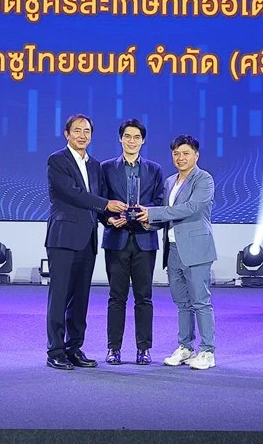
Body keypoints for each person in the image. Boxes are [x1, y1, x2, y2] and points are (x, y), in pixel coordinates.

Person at [45, 114, 127, 371]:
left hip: (87, 239)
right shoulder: (57, 160)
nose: (82, 135)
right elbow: (73, 194)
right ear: (67, 134)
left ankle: (74, 347)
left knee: (80, 298)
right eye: (77, 130)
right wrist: (106, 204)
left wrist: (108, 219)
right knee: (60, 296)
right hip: (63, 238)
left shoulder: (95, 165)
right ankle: (55, 351)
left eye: (87, 131)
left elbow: (96, 203)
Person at [135, 135, 217, 370]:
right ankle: (186, 347)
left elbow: (190, 208)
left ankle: (207, 351)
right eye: (176, 154)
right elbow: (167, 215)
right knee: (182, 303)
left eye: (186, 153)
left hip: (196, 249)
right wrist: (148, 223)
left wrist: (152, 213)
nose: (180, 158)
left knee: (200, 302)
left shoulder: (204, 179)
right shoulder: (170, 181)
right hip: (172, 249)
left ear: (196, 155)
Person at [100, 119, 164, 366]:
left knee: (144, 298)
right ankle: (113, 349)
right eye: (127, 136)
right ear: (120, 138)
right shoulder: (106, 168)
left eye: (137, 137)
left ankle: (143, 349)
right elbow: (100, 202)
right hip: (116, 239)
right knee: (116, 297)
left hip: (144, 240)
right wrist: (109, 219)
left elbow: (159, 202)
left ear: (143, 140)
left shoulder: (154, 169)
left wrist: (147, 218)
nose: (132, 141)